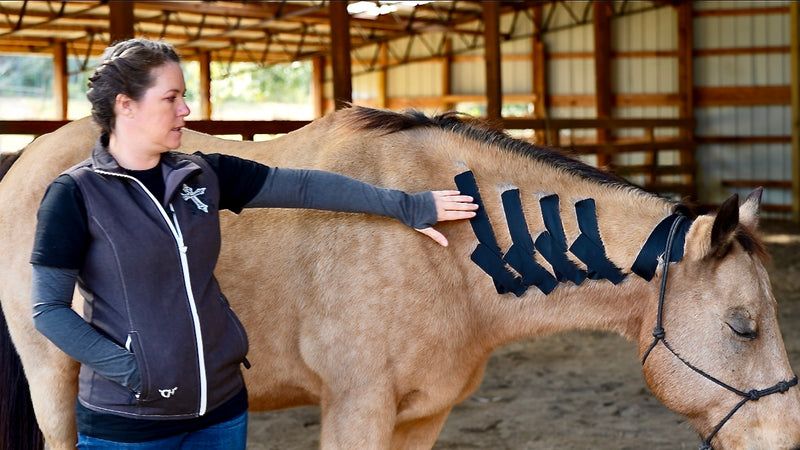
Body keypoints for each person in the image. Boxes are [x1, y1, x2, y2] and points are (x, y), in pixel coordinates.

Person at [30, 38, 477, 449]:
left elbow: (302, 187)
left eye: (183, 96)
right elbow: (48, 310)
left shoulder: (203, 174)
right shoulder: (73, 195)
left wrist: (404, 204)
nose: (186, 109)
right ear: (126, 106)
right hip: (129, 423)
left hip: (220, 412)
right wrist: (134, 371)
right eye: (171, 98)